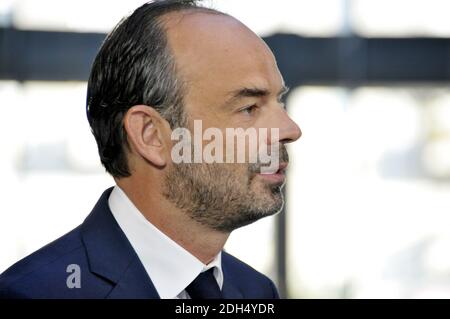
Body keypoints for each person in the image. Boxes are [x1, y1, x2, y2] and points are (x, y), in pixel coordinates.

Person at [0, 0, 301, 299]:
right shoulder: (32, 294)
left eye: (280, 102)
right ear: (151, 135)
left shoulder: (256, 290)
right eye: (249, 108)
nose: (290, 130)